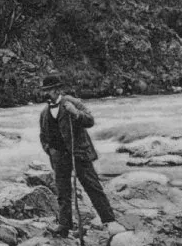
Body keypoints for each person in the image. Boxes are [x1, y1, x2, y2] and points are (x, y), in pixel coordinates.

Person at [37, 74, 120, 237]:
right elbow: (43, 136)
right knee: (63, 192)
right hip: (59, 157)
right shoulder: (44, 112)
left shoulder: (71, 102)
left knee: (92, 186)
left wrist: (75, 113)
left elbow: (90, 120)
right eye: (44, 90)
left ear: (57, 90)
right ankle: (64, 226)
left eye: (49, 90)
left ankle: (109, 221)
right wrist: (51, 151)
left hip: (79, 153)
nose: (46, 93)